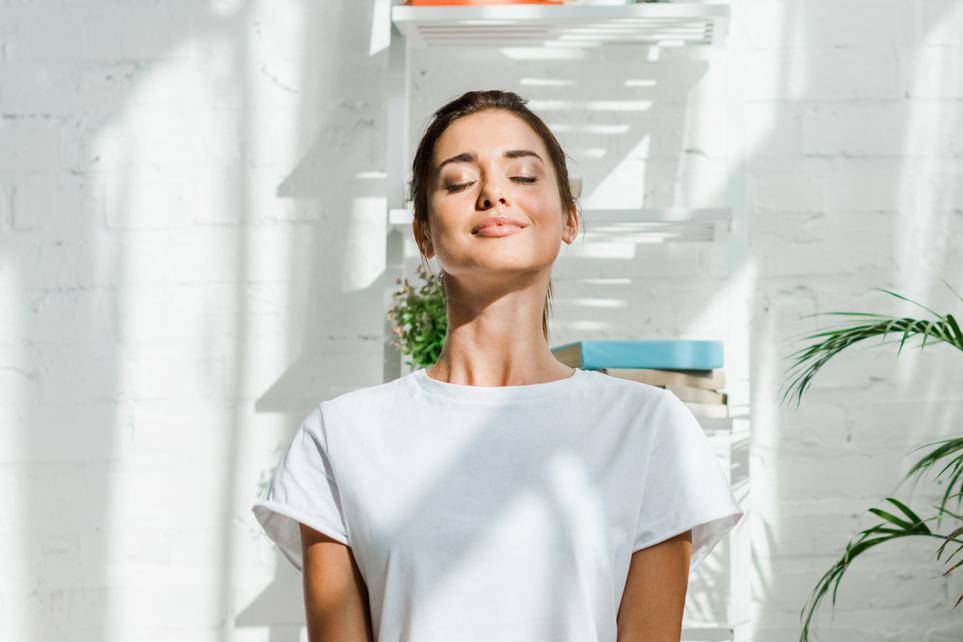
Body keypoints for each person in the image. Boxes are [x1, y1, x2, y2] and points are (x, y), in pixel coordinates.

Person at [252, 89, 743, 642]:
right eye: (459, 182)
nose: (493, 194)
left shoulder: (649, 426)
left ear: (568, 218)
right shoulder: (340, 436)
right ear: (423, 233)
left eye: (524, 177)